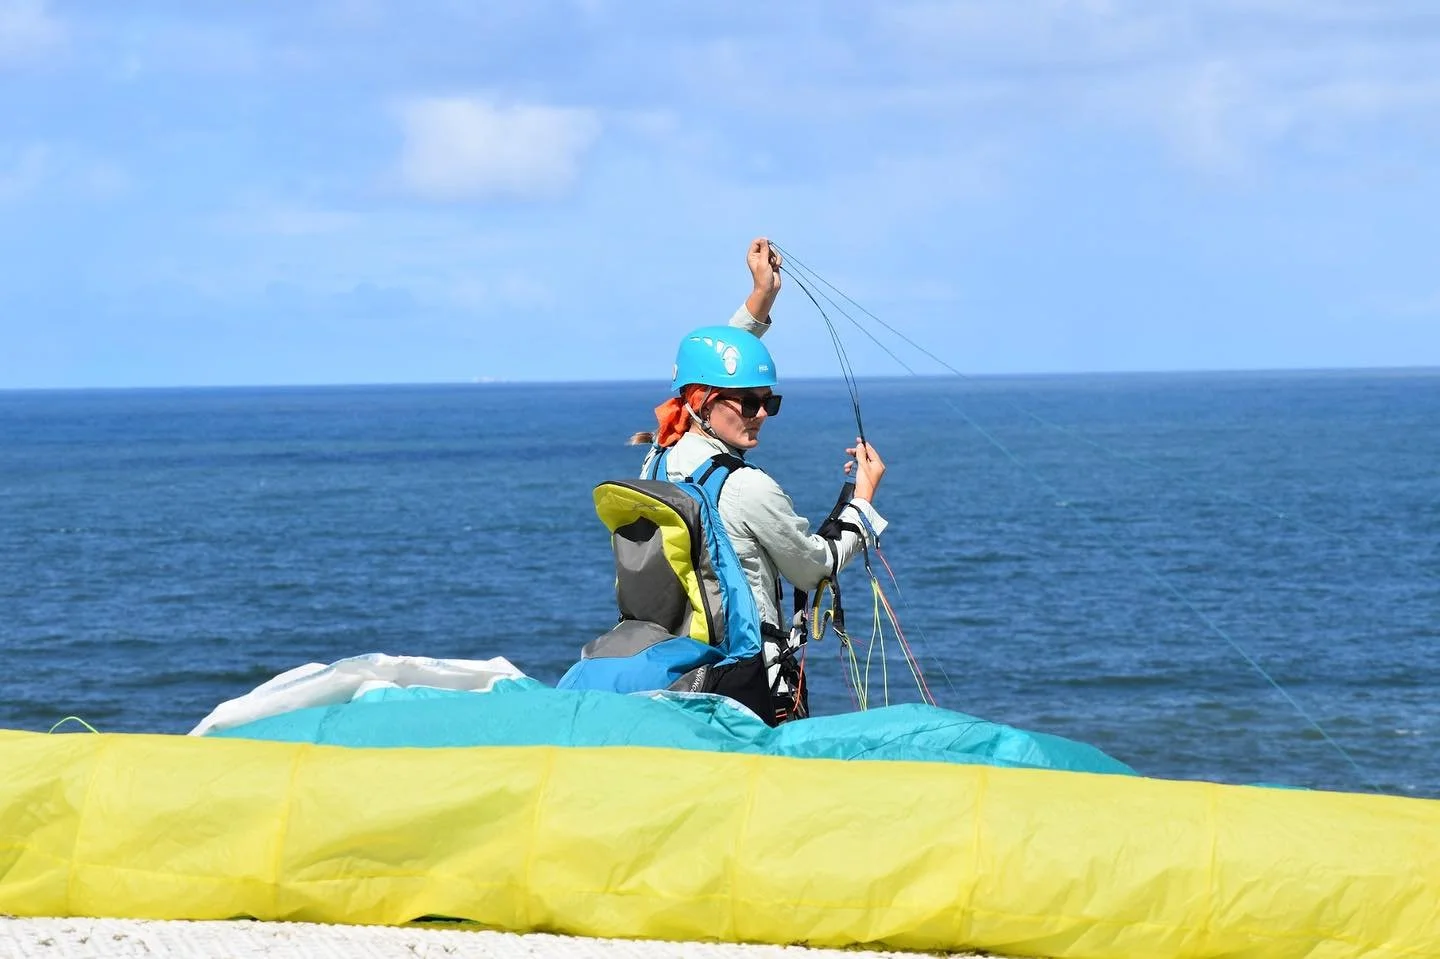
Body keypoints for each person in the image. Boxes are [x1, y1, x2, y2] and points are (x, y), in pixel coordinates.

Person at [638, 237, 888, 720]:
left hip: (684, 675)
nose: (760, 415)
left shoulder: (658, 459)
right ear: (705, 402)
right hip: (754, 686)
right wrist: (863, 500)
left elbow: (704, 370)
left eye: (768, 403)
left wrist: (761, 297)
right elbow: (814, 567)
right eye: (748, 403)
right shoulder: (748, 487)